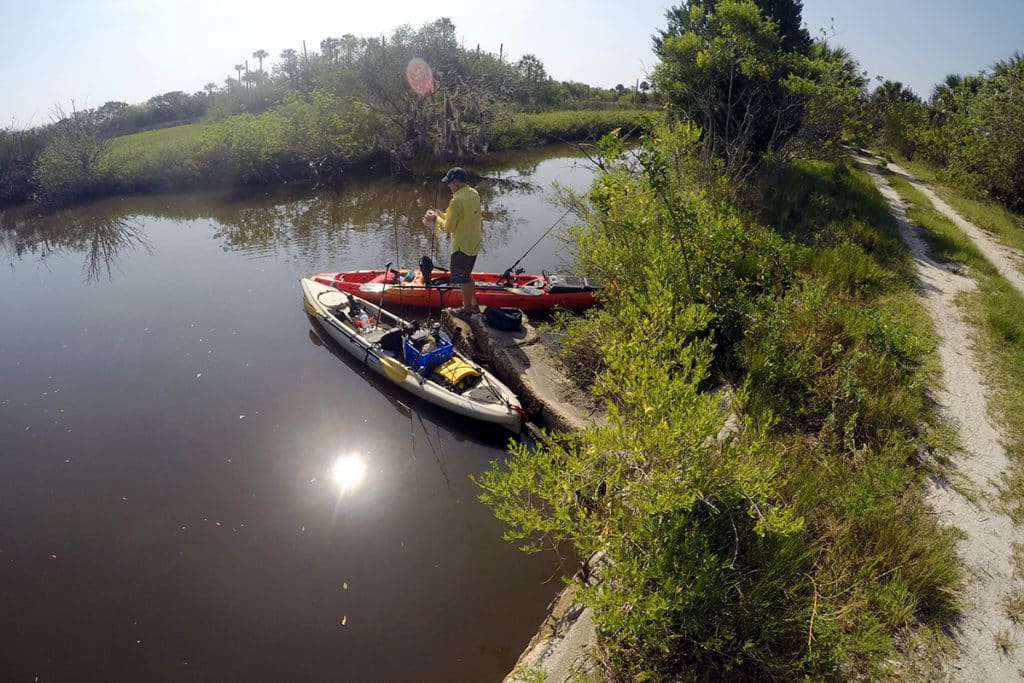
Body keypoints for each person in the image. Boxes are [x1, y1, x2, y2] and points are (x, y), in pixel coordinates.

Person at [423, 167, 482, 318]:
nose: (448, 185)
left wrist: (436, 219)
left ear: (455, 181)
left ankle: (467, 310)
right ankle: (475, 306)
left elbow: (448, 227)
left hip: (461, 246)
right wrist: (442, 214)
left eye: (449, 182)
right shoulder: (473, 193)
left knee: (463, 280)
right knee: (467, 275)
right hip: (473, 243)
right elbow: (462, 217)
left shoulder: (456, 200)